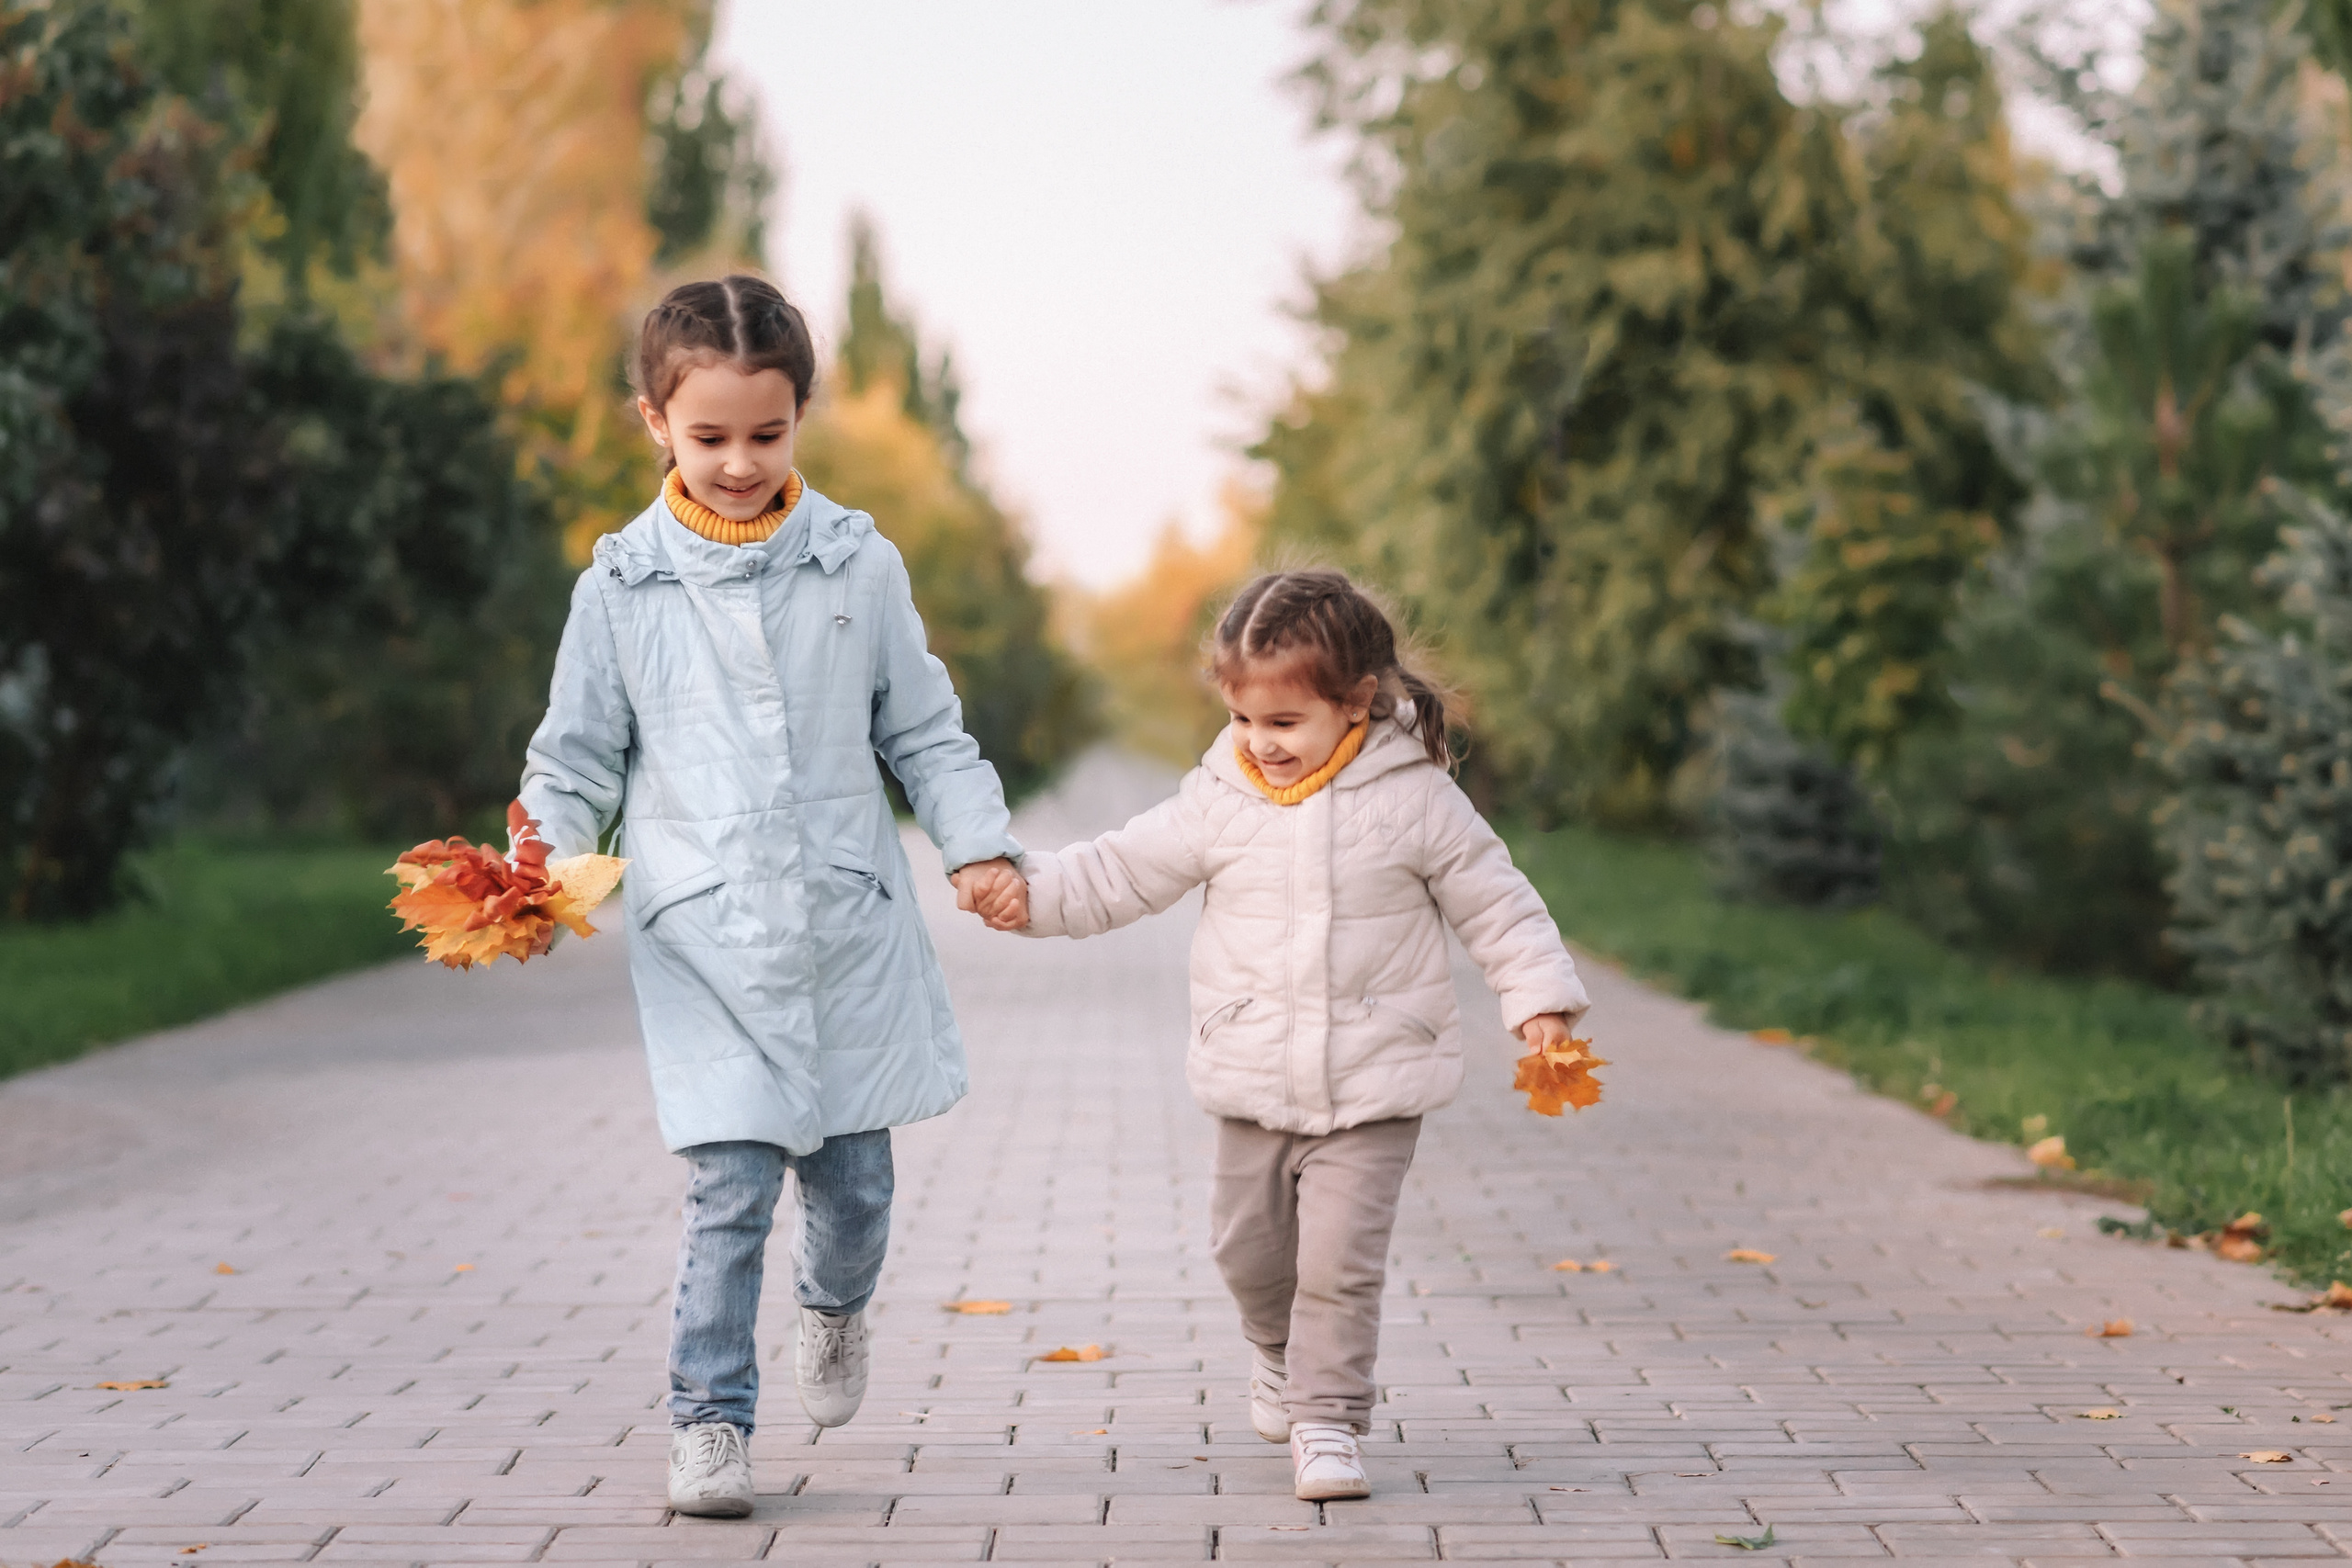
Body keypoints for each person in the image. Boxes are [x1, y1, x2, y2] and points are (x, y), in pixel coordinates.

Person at [516, 275, 1028, 1519]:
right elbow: (574, 757)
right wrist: (539, 864)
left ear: (801, 416)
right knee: (730, 1184)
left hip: (843, 925)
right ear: (656, 421)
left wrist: (978, 847)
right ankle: (708, 1420)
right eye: (709, 436)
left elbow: (925, 732)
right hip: (706, 937)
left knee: (854, 1192)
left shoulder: (858, 564)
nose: (739, 461)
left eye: (767, 433)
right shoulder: (622, 590)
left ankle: (836, 1303)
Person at [999, 569, 1588, 1502]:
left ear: (1354, 703)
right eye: (1242, 722)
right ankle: (1273, 1354)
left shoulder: (1417, 800)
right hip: (1252, 1075)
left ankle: (1327, 1424)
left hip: (1376, 1080)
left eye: (1282, 725)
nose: (1258, 745)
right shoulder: (1219, 798)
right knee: (1248, 1253)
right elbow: (1120, 871)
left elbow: (1498, 903)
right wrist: (1026, 895)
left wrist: (1540, 1002)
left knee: (1337, 1265)